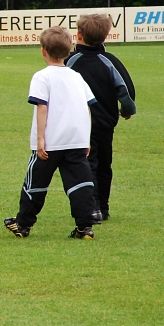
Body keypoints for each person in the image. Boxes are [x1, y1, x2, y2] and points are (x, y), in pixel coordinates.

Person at [4, 27, 101, 240]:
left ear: (43, 51)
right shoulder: (76, 76)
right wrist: (85, 138)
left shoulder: (42, 76)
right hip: (76, 140)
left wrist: (40, 139)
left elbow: (42, 107)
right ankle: (85, 227)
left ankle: (23, 224)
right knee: (80, 183)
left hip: (51, 142)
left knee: (35, 183)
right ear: (69, 50)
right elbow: (88, 107)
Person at [66, 14, 137, 222]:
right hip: (106, 122)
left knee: (89, 163)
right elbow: (126, 89)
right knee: (105, 164)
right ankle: (103, 207)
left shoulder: (71, 61)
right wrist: (127, 110)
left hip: (80, 124)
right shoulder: (109, 61)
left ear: (79, 35)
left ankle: (94, 207)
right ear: (106, 36)